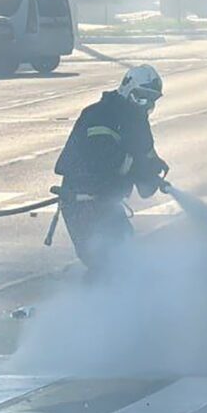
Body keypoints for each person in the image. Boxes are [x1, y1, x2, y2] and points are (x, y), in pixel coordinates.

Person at [54, 64, 170, 272]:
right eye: (140, 97)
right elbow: (105, 161)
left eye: (151, 100)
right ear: (126, 88)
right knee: (103, 261)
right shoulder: (99, 115)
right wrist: (138, 168)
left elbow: (146, 156)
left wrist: (153, 172)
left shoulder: (138, 122)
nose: (145, 105)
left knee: (125, 254)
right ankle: (90, 302)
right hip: (82, 201)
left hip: (107, 202)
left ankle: (118, 301)